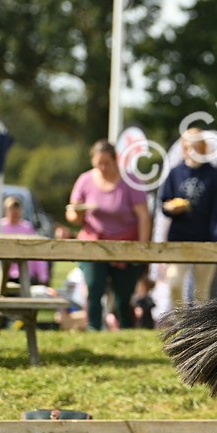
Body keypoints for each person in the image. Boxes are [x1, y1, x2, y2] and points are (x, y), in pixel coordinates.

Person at [65, 140, 151, 330]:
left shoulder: (131, 181)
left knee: (123, 295)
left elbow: (143, 216)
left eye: (107, 163)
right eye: (98, 164)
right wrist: (78, 213)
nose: (102, 168)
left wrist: (142, 249)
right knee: (94, 288)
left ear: (115, 160)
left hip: (126, 245)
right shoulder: (85, 180)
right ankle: (93, 330)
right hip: (93, 244)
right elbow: (72, 214)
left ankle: (127, 331)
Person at [158, 127, 217, 308]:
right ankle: (180, 325)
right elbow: (164, 203)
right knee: (174, 283)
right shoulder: (175, 173)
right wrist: (172, 208)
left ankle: (199, 331)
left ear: (203, 147)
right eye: (188, 146)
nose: (191, 150)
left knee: (201, 291)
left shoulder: (215, 176)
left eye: (196, 146)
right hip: (179, 238)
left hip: (205, 239)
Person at [0, 195, 49, 285]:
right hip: (4, 272)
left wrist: (42, 274)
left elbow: (35, 250)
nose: (14, 212)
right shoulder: (0, 226)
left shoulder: (27, 227)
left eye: (16, 209)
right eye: (11, 209)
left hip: (25, 273)